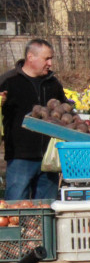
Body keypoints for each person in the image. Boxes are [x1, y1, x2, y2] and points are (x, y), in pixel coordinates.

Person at [0, 39, 67, 200]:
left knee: (46, 209)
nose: (50, 63)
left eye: (51, 58)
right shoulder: (8, 81)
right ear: (31, 57)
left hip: (49, 159)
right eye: (46, 59)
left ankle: (41, 227)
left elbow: (65, 109)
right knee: (16, 208)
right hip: (20, 157)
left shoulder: (53, 83)